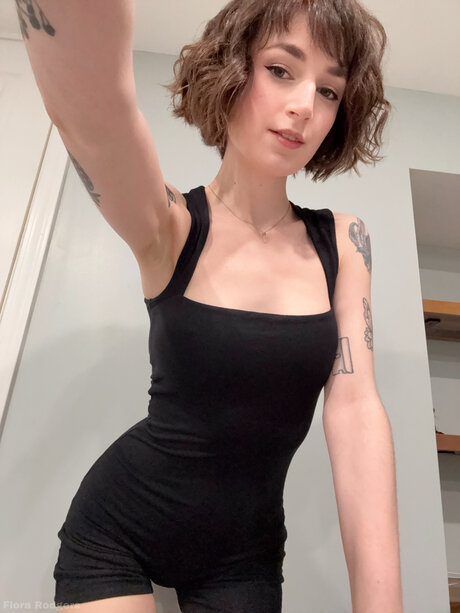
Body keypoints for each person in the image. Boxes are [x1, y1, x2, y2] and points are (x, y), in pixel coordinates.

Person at [19, 0, 403, 611]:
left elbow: (356, 410)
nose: (306, 104)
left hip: (244, 556)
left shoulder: (344, 242)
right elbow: (97, 119)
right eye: (281, 70)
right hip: (117, 530)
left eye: (329, 91)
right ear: (232, 70)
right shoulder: (171, 225)